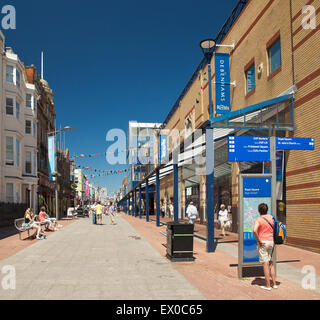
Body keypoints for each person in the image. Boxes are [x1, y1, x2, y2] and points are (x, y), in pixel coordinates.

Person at [253, 203, 277, 291]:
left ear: (259, 210)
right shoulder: (272, 218)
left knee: (265, 264)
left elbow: (254, 231)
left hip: (263, 242)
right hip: (271, 241)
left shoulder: (258, 219)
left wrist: (259, 240)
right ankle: (274, 284)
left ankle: (268, 285)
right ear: (267, 209)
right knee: (270, 262)